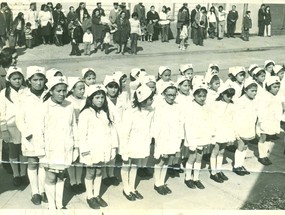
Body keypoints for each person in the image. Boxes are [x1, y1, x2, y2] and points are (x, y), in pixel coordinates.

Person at [39, 76, 77, 209]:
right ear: (51, 91)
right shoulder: (44, 107)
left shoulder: (69, 105)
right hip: (50, 149)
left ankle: (59, 204)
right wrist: (41, 152)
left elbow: (73, 126)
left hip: (66, 147)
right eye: (58, 91)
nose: (62, 94)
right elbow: (39, 131)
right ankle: (51, 206)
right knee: (50, 177)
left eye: (64, 90)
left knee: (61, 176)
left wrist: (75, 147)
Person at [78, 84, 118, 209]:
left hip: (103, 148)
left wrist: (113, 147)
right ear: (90, 98)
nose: (100, 100)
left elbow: (111, 131)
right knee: (91, 173)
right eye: (97, 97)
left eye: (102, 97)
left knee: (99, 171)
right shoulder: (85, 113)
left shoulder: (105, 112)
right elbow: (82, 134)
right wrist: (85, 152)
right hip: (91, 150)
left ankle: (97, 195)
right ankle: (90, 196)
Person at [16, 66, 48, 205]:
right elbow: (19, 119)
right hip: (31, 136)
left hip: (47, 135)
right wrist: (27, 133)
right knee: (33, 163)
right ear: (29, 81)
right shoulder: (23, 97)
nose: (38, 83)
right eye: (35, 80)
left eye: (41, 79)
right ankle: (34, 192)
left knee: (44, 163)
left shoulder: (49, 94)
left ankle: (42, 190)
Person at [120, 85, 154, 201]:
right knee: (126, 165)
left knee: (135, 165)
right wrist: (124, 150)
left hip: (141, 143)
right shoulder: (131, 112)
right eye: (150, 98)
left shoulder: (150, 111)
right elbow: (125, 132)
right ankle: (126, 188)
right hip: (130, 143)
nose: (152, 100)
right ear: (143, 100)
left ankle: (132, 187)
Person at [152, 81, 183, 195]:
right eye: (169, 95)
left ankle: (161, 182)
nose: (172, 97)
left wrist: (179, 139)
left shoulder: (177, 106)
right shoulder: (159, 107)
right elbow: (156, 126)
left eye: (174, 95)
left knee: (167, 161)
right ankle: (157, 183)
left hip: (173, 138)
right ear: (164, 94)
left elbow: (180, 123)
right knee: (161, 161)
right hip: (162, 138)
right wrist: (158, 143)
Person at [0, 66, 27, 187]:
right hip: (11, 127)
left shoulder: (26, 91)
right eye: (14, 78)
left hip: (25, 127)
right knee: (13, 152)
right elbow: (2, 113)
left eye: (19, 78)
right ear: (9, 79)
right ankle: (16, 174)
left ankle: (23, 173)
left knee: (24, 151)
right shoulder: (3, 93)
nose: (17, 81)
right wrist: (3, 129)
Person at [184, 81, 212, 189]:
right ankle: (188, 178)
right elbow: (188, 125)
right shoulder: (190, 107)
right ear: (194, 95)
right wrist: (190, 141)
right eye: (199, 96)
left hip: (203, 136)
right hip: (193, 137)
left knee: (199, 157)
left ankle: (196, 178)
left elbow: (208, 121)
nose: (202, 98)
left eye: (204, 96)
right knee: (192, 157)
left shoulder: (206, 106)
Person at [210, 83, 236, 183]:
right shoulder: (216, 104)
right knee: (215, 151)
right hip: (218, 130)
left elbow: (232, 118)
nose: (229, 98)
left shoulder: (232, 105)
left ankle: (219, 170)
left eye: (231, 96)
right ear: (222, 94)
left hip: (226, 130)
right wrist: (213, 132)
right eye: (227, 96)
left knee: (222, 151)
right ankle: (213, 172)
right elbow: (212, 119)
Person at [233, 79, 258, 176]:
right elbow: (236, 117)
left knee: (245, 146)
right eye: (252, 91)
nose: (254, 93)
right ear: (245, 90)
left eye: (255, 91)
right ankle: (236, 166)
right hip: (241, 128)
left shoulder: (254, 100)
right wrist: (236, 131)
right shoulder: (240, 101)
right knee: (240, 146)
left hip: (249, 127)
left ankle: (240, 164)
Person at [256, 76, 282, 165]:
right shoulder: (265, 97)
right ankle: (261, 156)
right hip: (265, 121)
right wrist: (262, 122)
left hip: (272, 121)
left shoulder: (276, 96)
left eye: (278, 87)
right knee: (263, 137)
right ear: (268, 87)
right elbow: (261, 110)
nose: (277, 89)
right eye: (274, 87)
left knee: (268, 138)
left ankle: (264, 154)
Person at [66, 77, 86, 194]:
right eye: (79, 89)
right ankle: (72, 181)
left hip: (83, 132)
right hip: (72, 132)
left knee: (80, 159)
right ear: (72, 89)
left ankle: (79, 180)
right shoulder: (68, 101)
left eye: (83, 88)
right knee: (72, 158)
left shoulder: (86, 100)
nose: (82, 91)